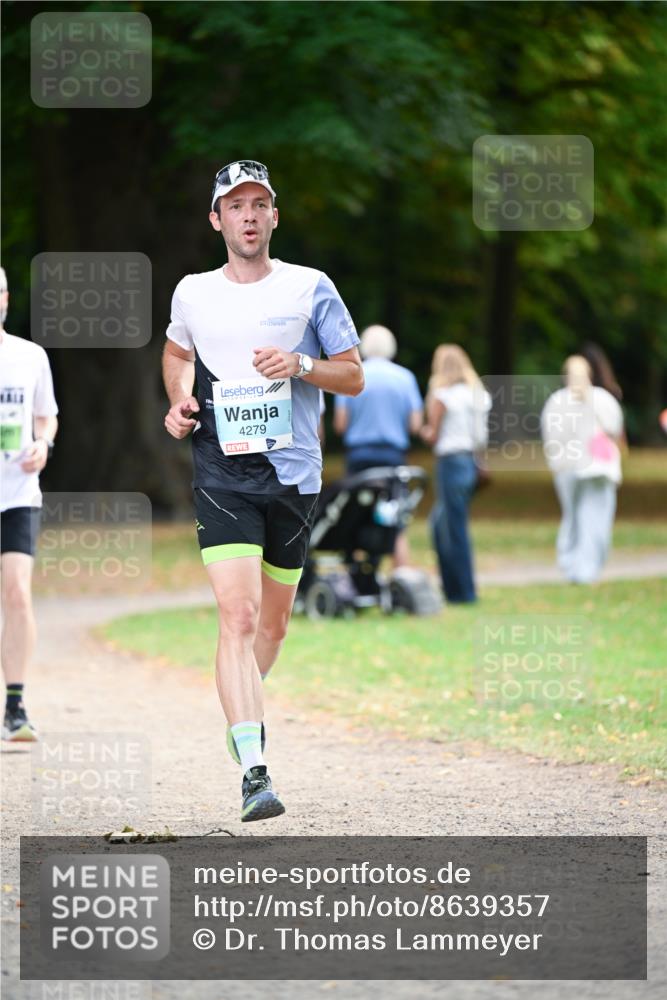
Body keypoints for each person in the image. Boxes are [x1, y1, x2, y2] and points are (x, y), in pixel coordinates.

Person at [162, 160, 362, 822]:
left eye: (259, 203)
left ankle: (241, 705)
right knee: (238, 616)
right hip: (221, 471)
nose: (248, 214)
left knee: (272, 624)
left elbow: (353, 377)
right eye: (235, 204)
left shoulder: (311, 288)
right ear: (216, 219)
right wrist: (179, 400)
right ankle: (254, 768)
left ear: (274, 216)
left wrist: (302, 364)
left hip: (294, 476)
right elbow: (175, 352)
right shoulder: (192, 292)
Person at [0, 266, 59, 740]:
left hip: (19, 492)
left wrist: (43, 444)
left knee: (17, 591)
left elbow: (47, 416)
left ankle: (15, 705)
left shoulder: (29, 356)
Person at [333, 324, 423, 567]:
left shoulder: (353, 376)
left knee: (355, 514)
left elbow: (340, 424)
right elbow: (415, 425)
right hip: (392, 456)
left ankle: (357, 574)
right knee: (396, 518)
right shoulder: (405, 378)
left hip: (360, 455)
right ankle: (401, 576)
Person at [541, 355, 623, 584]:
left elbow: (551, 438)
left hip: (567, 468)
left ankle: (572, 565)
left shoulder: (557, 401)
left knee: (573, 517)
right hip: (597, 468)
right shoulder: (602, 399)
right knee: (595, 517)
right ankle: (586, 569)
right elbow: (614, 429)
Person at [420, 345, 490, 604]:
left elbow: (433, 434)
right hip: (470, 462)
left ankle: (462, 592)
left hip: (450, 462)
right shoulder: (477, 395)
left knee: (453, 529)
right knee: (441, 524)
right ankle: (454, 588)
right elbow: (482, 437)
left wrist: (422, 430)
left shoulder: (443, 395)